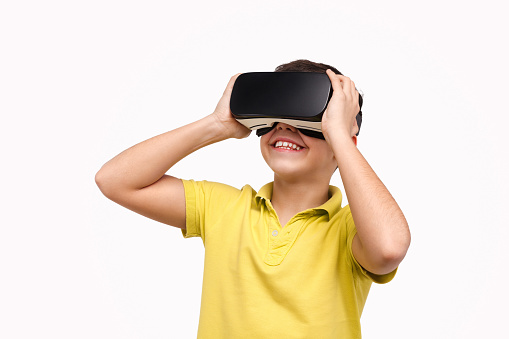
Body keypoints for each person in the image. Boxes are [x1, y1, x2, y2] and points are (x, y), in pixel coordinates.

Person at [95, 59, 411, 338]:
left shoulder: (350, 230)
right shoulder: (222, 207)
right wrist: (216, 125)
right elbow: (115, 181)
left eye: (305, 122)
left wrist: (339, 134)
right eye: (274, 120)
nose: (285, 127)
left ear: (342, 140)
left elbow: (388, 249)